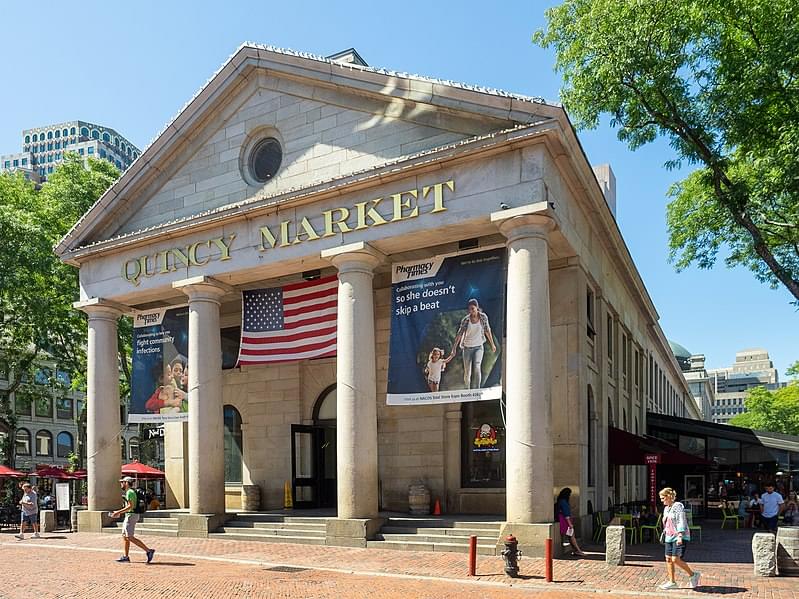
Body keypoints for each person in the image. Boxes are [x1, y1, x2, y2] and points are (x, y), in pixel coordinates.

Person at [658, 487, 700, 591]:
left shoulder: (678, 506)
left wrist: (680, 535)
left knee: (675, 559)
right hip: (669, 536)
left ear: (669, 496)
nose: (662, 500)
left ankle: (693, 574)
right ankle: (672, 582)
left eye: (663, 498)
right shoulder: (666, 508)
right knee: (668, 559)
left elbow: (681, 520)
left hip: (678, 536)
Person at [449, 298, 497, 389]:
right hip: (467, 348)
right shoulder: (466, 320)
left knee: (477, 366)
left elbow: (487, 330)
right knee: (467, 372)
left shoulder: (483, 317)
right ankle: (468, 390)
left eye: (473, 309)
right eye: (470, 309)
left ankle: (477, 389)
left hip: (479, 347)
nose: (471, 311)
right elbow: (459, 334)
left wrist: (492, 344)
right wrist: (454, 348)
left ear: (477, 308)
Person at [110, 476, 155, 563]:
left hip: (131, 516)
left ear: (126, 483)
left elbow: (130, 506)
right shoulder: (131, 491)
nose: (121, 484)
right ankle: (126, 556)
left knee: (129, 537)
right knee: (125, 537)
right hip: (130, 515)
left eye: (122, 482)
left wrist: (118, 512)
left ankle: (148, 551)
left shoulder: (129, 492)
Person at [555, 488, 586, 557]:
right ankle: (578, 550)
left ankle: (576, 550)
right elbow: (566, 515)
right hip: (565, 521)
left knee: (570, 536)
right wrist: (570, 524)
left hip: (562, 520)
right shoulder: (564, 502)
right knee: (572, 536)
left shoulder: (560, 501)